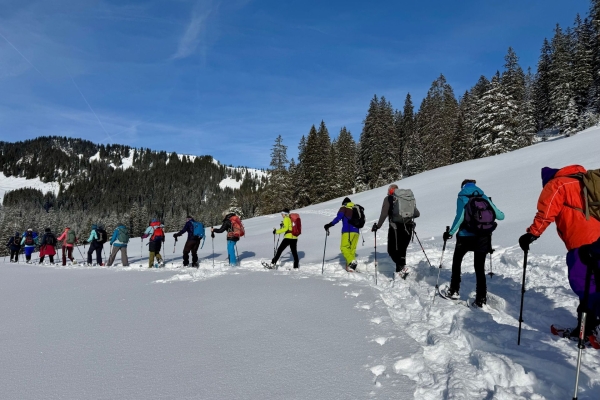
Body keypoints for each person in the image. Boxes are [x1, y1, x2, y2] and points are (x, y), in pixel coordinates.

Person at [519, 165, 600, 338]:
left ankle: (594, 326)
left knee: (583, 285)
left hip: (581, 244)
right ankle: (586, 328)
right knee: (594, 284)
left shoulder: (558, 185)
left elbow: (546, 212)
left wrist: (532, 234)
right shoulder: (586, 182)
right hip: (599, 241)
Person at [442, 179, 504, 307]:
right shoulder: (484, 197)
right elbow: (500, 216)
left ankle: (454, 290)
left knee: (457, 262)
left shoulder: (462, 197)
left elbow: (460, 217)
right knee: (479, 268)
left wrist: (450, 233)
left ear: (463, 186)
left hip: (465, 236)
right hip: (483, 237)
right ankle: (481, 299)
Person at [371, 185, 420, 277]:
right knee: (402, 249)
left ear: (390, 191)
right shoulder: (408, 198)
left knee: (391, 250)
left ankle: (401, 268)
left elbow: (384, 214)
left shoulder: (389, 199)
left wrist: (378, 226)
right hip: (408, 227)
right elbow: (417, 213)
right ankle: (401, 270)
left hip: (395, 228)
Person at [325, 197, 360, 271]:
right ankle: (351, 268)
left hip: (347, 231)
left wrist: (329, 225)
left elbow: (338, 218)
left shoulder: (344, 208)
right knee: (351, 250)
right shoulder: (355, 208)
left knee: (343, 247)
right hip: (356, 232)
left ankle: (351, 262)